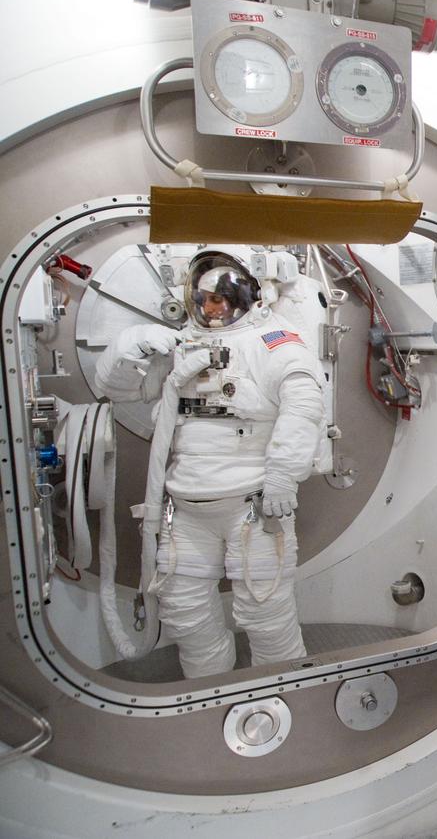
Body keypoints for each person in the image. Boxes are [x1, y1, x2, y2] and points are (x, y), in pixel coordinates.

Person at [96, 246, 325, 679]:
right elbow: (119, 390)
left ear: (246, 297)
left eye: (220, 298)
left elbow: (303, 407)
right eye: (203, 300)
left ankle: (282, 696)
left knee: (264, 612)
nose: (211, 308)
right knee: (185, 613)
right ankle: (208, 694)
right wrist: (130, 348)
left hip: (253, 506)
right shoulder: (182, 345)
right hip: (186, 508)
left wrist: (282, 478)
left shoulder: (274, 342)